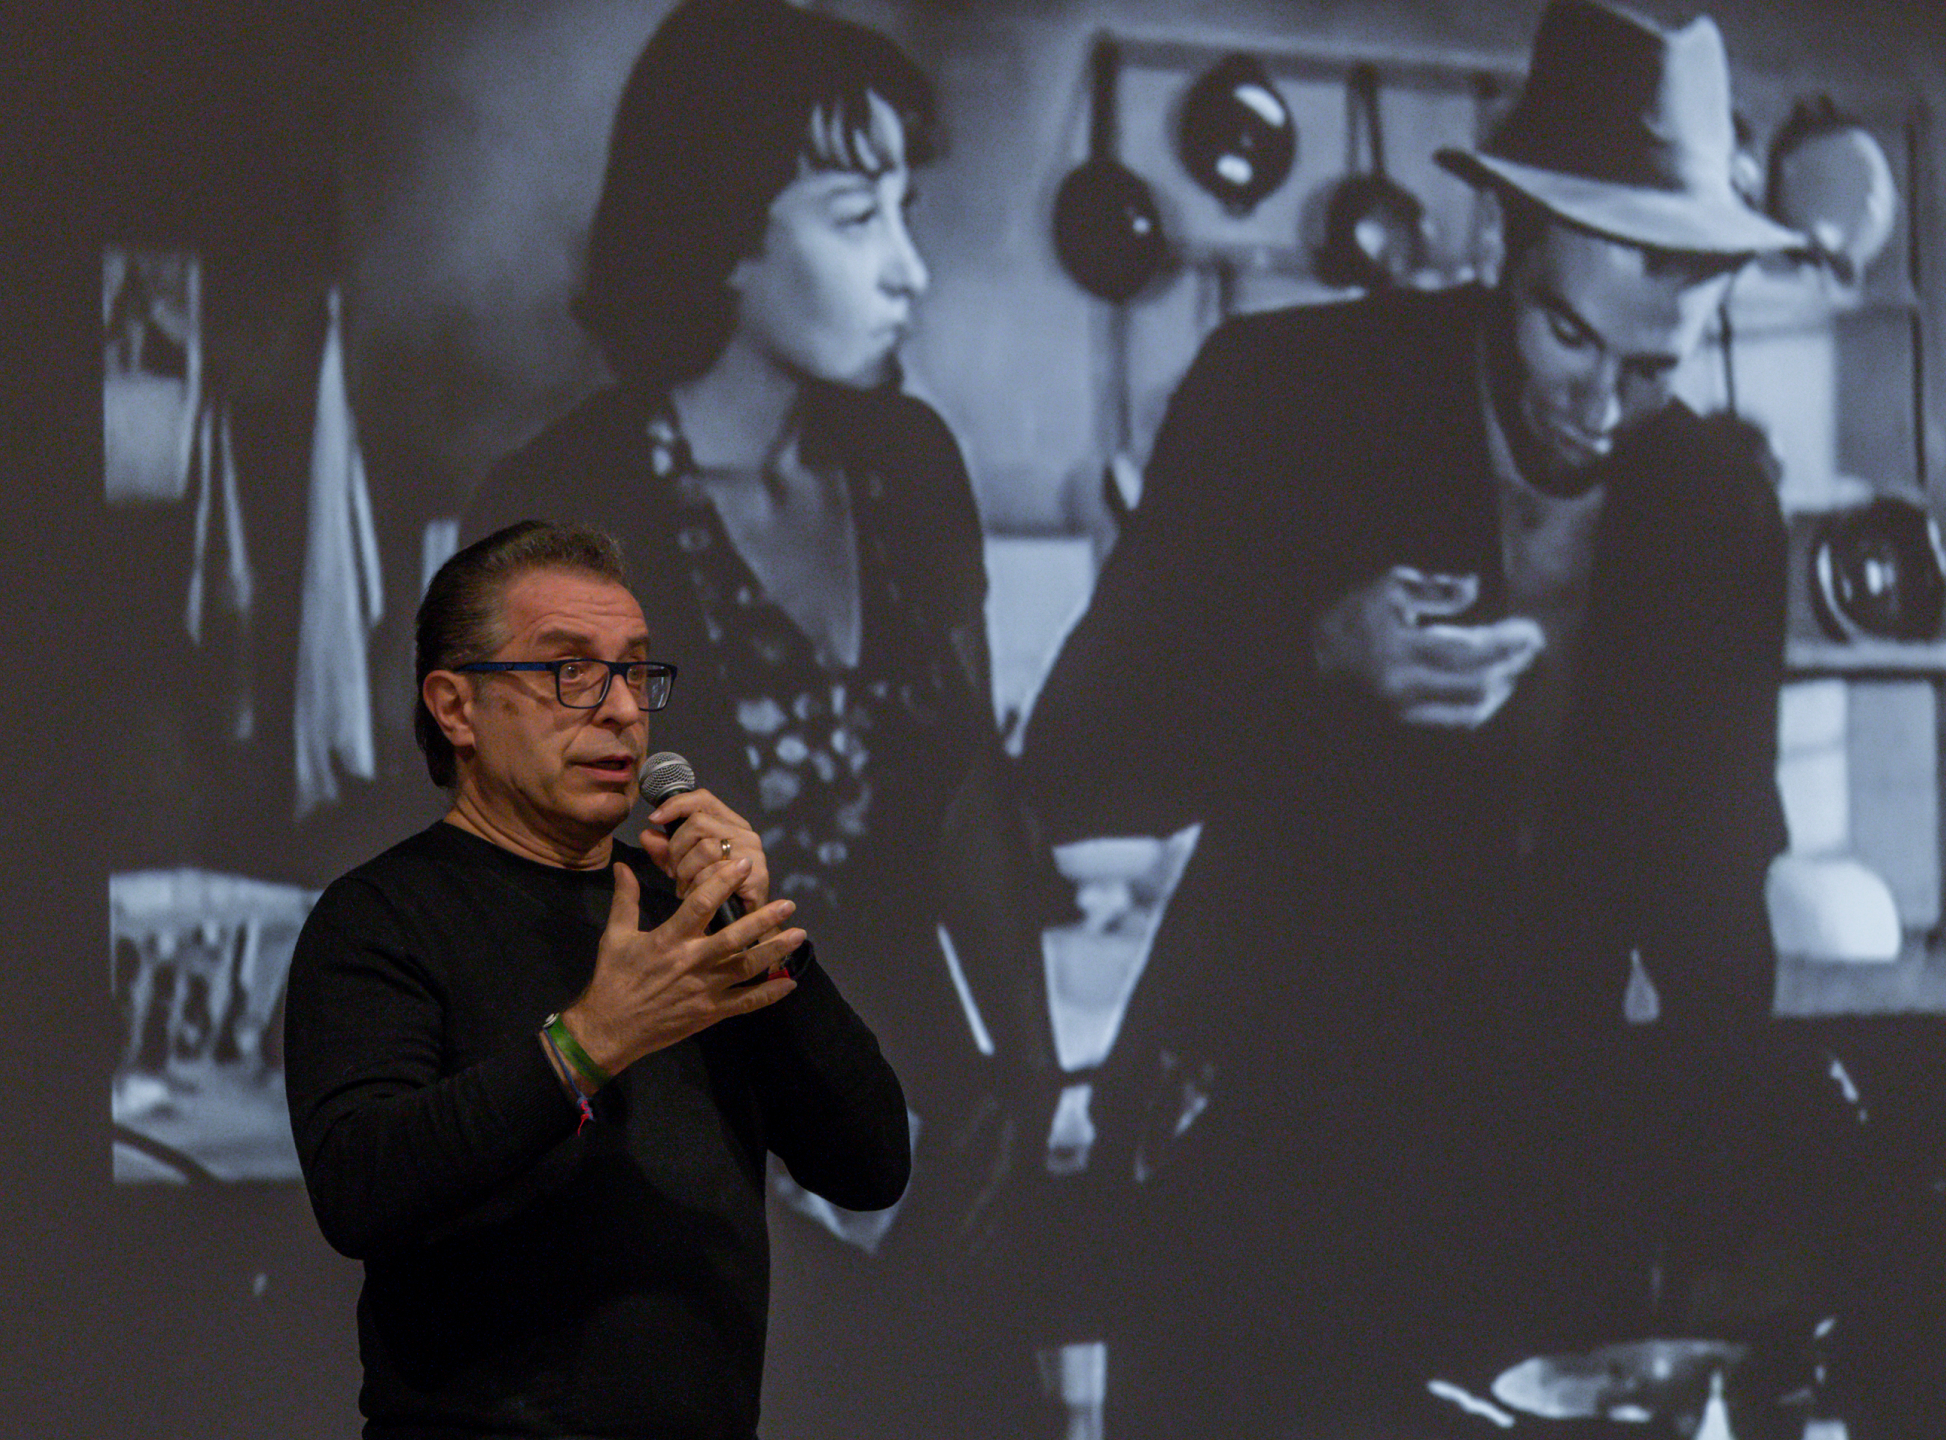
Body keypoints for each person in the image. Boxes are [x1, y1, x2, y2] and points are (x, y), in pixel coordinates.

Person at [1021, 0, 1861, 1431]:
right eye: (1572, 337)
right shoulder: (1285, 401)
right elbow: (1078, 771)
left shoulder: (1718, 507)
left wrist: (1730, 1210)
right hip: (1260, 1153)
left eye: (1657, 369)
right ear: (1503, 246)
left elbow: (1715, 896)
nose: (1604, 403)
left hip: (1539, 1180)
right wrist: (1313, 659)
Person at [463, 2, 1064, 1431]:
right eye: (858, 218)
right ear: (725, 228)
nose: (909, 269)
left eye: (908, 210)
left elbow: (968, 786)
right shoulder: (568, 510)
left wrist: (1030, 1078)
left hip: (926, 1107)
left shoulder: (909, 466)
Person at [284, 520, 910, 1439]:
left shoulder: (684, 911)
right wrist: (586, 1047)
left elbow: (870, 1165)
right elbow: (361, 1188)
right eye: (570, 671)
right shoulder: (380, 917)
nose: (620, 708)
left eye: (635, 671)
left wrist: (761, 934)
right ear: (456, 708)